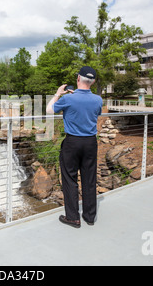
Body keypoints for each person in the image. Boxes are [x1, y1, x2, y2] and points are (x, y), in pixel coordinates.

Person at [46, 66, 103, 228]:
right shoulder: (98, 100)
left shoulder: (68, 99)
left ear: (78, 78)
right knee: (89, 179)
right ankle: (89, 216)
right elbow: (94, 113)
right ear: (93, 82)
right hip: (90, 142)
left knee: (70, 179)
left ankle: (73, 217)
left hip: (72, 143)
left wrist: (58, 94)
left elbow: (49, 110)